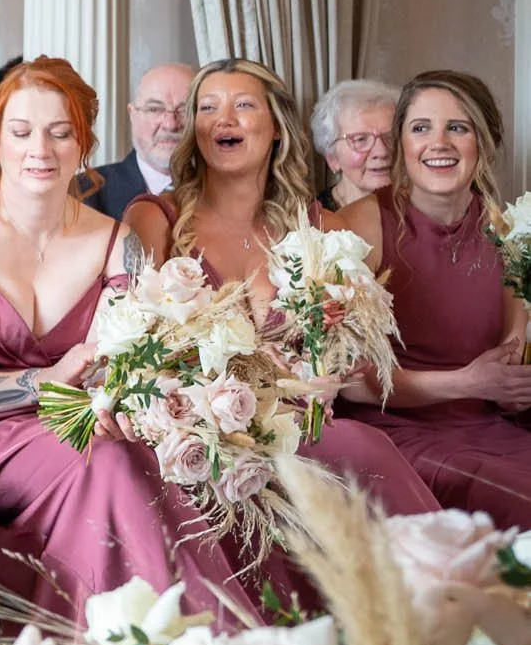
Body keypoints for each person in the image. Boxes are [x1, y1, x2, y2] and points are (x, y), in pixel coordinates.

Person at [0, 60, 292, 623]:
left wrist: (133, 403)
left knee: (150, 461)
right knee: (106, 462)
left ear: (83, 142)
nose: (41, 148)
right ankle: (164, 643)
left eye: (60, 132)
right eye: (21, 132)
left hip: (85, 428)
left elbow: (124, 371)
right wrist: (46, 381)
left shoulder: (117, 243)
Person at [128, 59, 439, 517]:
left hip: (302, 432)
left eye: (243, 105)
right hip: (202, 442)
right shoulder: (155, 219)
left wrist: (331, 376)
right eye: (208, 107)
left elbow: (355, 363)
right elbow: (137, 352)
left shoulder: (322, 230)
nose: (223, 119)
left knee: (364, 449)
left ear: (276, 128)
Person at [340, 71, 531, 525]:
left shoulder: (508, 232)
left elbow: (511, 356)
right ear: (402, 144)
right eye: (421, 128)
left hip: (491, 430)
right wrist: (466, 383)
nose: (438, 143)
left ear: (484, 141)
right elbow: (349, 381)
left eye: (457, 128)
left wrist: (514, 390)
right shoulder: (358, 227)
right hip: (394, 437)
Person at [89, 62, 192, 223]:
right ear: (132, 115)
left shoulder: (228, 192)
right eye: (154, 109)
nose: (171, 124)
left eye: (185, 110)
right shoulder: (85, 192)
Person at [311, 77, 398, 211]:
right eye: (360, 139)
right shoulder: (314, 224)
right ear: (332, 158)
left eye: (390, 137)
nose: (382, 152)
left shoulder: (427, 211)